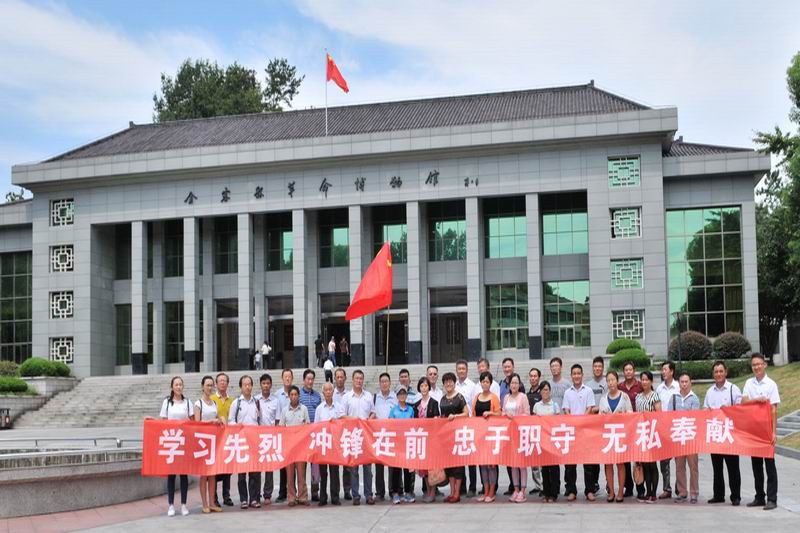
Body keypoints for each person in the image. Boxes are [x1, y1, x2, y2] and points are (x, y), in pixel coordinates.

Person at [742, 353, 780, 511]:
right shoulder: (749, 383)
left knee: (770, 466)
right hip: (754, 430)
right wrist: (757, 400)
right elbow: (744, 401)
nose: (756, 367)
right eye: (754, 365)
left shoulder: (771, 385)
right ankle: (759, 497)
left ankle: (772, 499)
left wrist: (773, 432)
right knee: (756, 466)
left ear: (764, 365)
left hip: (766, 430)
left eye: (759, 364)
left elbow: (774, 409)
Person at [703, 360, 742, 506]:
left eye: (721, 371)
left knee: (733, 467)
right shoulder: (709, 391)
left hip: (729, 434)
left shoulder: (733, 389)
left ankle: (735, 496)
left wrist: (729, 410)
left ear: (726, 372)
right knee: (717, 467)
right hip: (715, 434)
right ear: (713, 374)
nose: (718, 374)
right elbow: (705, 410)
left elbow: (740, 410)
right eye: (716, 372)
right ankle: (718, 495)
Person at [562, 364, 599, 501]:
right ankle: (572, 490)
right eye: (574, 374)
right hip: (571, 432)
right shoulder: (567, 392)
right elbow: (566, 410)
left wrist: (581, 422)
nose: (576, 376)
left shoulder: (588, 390)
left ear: (582, 375)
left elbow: (590, 408)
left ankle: (589, 490)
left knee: (588, 463)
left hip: (585, 431)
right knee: (570, 464)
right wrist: (574, 423)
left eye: (579, 373)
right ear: (571, 376)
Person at [598, 370, 632, 502]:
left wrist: (621, 416)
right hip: (607, 436)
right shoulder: (603, 399)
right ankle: (611, 491)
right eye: (608, 381)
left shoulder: (624, 397)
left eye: (613, 380)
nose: (611, 383)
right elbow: (599, 418)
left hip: (621, 435)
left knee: (620, 463)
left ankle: (620, 491)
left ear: (617, 381)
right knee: (608, 464)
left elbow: (630, 414)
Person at [343, 369, 376, 505]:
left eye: (361, 378)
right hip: (353, 437)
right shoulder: (346, 397)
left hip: (366, 437)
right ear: (352, 380)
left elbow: (373, 412)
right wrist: (355, 420)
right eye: (356, 378)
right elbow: (342, 415)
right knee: (354, 469)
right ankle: (355, 495)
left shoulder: (368, 396)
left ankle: (369, 495)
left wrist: (368, 420)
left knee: (367, 468)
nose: (359, 381)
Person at [229, 375, 262, 509]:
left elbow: (260, 421)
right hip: (241, 441)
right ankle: (243, 499)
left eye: (249, 384)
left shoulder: (256, 402)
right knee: (242, 473)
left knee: (255, 471)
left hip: (254, 441)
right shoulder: (236, 403)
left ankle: (254, 498)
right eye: (245, 385)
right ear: (241, 387)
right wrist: (237, 426)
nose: (247, 387)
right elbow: (230, 420)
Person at [160, 376, 191, 517]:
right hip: (171, 441)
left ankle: (184, 504)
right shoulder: (167, 402)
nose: (178, 387)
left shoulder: (187, 402)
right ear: (172, 387)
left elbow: (192, 421)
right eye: (176, 384)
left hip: (183, 441)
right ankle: (171, 505)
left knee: (184, 474)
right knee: (171, 475)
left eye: (180, 384)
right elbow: (163, 422)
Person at [194, 375, 224, 514]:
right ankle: (204, 503)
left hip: (214, 440)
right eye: (207, 385)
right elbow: (197, 422)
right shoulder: (198, 403)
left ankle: (212, 502)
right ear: (202, 387)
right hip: (202, 441)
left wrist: (220, 420)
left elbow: (217, 418)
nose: (210, 387)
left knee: (212, 473)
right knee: (204, 474)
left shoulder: (214, 403)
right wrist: (212, 421)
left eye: (211, 385)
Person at [472, 371, 502, 503]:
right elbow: (473, 415)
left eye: (487, 382)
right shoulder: (477, 397)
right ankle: (485, 490)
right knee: (482, 464)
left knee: (491, 465)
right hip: (480, 435)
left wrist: (490, 413)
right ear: (480, 383)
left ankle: (492, 491)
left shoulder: (494, 397)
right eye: (483, 381)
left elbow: (499, 413)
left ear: (490, 383)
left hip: (491, 435)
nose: (485, 384)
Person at [439, 372, 469, 503]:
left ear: (454, 383)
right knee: (449, 466)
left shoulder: (459, 397)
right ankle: (451, 492)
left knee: (458, 466)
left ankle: (457, 493)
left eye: (450, 381)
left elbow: (466, 413)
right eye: (446, 382)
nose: (448, 384)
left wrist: (455, 416)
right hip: (446, 437)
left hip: (458, 435)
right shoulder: (442, 399)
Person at [672, 372, 700, 504]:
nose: (684, 384)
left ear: (690, 383)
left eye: (686, 382)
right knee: (679, 467)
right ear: (679, 383)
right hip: (678, 437)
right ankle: (682, 492)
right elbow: (669, 416)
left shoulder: (694, 398)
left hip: (691, 437)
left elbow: (695, 418)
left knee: (693, 467)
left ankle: (694, 492)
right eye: (682, 382)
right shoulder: (674, 398)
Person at [280, 385, 311, 506]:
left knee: (301, 473)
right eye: (291, 395)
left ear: (299, 396)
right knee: (290, 474)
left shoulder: (304, 409)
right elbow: (281, 427)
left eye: (295, 394)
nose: (293, 397)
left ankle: (302, 497)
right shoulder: (284, 410)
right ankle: (291, 497)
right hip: (289, 447)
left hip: (301, 447)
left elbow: (308, 425)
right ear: (289, 396)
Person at [315, 382, 344, 507]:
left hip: (335, 444)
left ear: (333, 392)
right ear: (323, 393)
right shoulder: (319, 409)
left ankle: (335, 497)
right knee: (323, 473)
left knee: (334, 472)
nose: (328, 392)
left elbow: (343, 423)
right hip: (323, 444)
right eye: (326, 390)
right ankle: (323, 497)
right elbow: (316, 426)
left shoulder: (339, 407)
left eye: (330, 390)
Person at [503, 373, 530, 503]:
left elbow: (527, 414)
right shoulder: (506, 397)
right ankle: (516, 489)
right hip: (509, 433)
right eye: (512, 383)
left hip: (521, 433)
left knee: (522, 464)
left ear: (519, 385)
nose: (514, 385)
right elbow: (502, 412)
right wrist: (505, 414)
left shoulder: (523, 397)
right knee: (513, 463)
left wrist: (515, 417)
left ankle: (523, 491)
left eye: (516, 383)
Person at [618, 361, 644, 499]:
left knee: (638, 458)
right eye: (626, 370)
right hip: (624, 428)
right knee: (625, 458)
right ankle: (628, 487)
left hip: (638, 426)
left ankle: (640, 487)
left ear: (634, 371)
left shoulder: (640, 386)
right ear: (623, 372)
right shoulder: (620, 386)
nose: (628, 372)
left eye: (630, 369)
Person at [635, 370, 661, 503]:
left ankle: (654, 493)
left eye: (646, 380)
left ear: (651, 381)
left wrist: (648, 414)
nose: (644, 382)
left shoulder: (655, 396)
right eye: (642, 380)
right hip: (641, 434)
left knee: (652, 465)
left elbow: (659, 414)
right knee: (645, 464)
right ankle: (648, 491)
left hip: (652, 433)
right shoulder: (638, 397)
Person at [655, 360, 679, 499]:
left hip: (677, 427)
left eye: (665, 369)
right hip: (663, 428)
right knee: (664, 461)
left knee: (679, 460)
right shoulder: (659, 389)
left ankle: (679, 488)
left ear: (672, 371)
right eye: (662, 369)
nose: (663, 372)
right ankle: (666, 488)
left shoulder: (678, 387)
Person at [533, 381, 560, 503]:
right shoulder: (537, 406)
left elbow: (558, 423)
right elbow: (534, 422)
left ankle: (554, 493)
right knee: (544, 468)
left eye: (547, 390)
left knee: (554, 468)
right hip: (542, 441)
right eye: (543, 390)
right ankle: (546, 492)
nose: (545, 392)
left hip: (553, 440)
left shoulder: (555, 406)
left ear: (550, 391)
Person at [389, 386, 417, 504]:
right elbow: (390, 425)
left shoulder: (411, 410)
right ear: (397, 396)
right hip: (397, 444)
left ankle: (408, 492)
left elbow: (414, 424)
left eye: (404, 394)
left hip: (408, 443)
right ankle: (395, 493)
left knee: (408, 469)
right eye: (400, 394)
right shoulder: (393, 410)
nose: (402, 396)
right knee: (396, 469)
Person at [454, 359, 478, 497]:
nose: (461, 371)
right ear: (456, 370)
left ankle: (472, 487)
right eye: (459, 369)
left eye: (463, 368)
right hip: (457, 426)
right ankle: (461, 486)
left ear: (467, 370)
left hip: (469, 425)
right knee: (460, 458)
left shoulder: (472, 386)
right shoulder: (454, 385)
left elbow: (474, 405)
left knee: (471, 458)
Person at [211, 372, 235, 507]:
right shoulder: (212, 399)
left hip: (228, 438)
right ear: (216, 384)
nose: (222, 383)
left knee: (227, 468)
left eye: (224, 381)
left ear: (228, 383)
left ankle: (227, 495)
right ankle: (213, 496)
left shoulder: (233, 401)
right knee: (215, 469)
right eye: (220, 381)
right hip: (215, 439)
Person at [256, 373, 280, 505]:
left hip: (270, 437)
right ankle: (256, 493)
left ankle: (267, 494)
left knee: (269, 468)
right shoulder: (255, 400)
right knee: (257, 467)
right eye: (263, 383)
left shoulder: (276, 401)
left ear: (271, 385)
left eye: (268, 383)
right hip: (257, 437)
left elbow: (277, 420)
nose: (265, 386)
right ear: (260, 385)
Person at [416, 376, 441, 503]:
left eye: (426, 386)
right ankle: (427, 489)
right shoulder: (416, 405)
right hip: (421, 440)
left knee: (432, 467)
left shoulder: (434, 403)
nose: (424, 388)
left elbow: (437, 420)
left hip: (431, 440)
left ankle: (433, 492)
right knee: (424, 468)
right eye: (422, 386)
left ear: (429, 387)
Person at [374, 372, 398, 501]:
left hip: (392, 435)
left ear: (390, 383)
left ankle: (392, 490)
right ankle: (380, 491)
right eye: (382, 381)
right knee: (379, 466)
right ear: (379, 383)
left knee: (392, 465)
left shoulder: (395, 397)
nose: (384, 384)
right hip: (378, 435)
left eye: (386, 381)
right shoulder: (374, 397)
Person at [299, 369, 322, 502]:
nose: (310, 381)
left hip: (315, 434)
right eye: (308, 379)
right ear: (304, 380)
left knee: (315, 465)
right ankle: (302, 492)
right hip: (302, 435)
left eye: (312, 379)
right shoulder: (298, 394)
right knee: (301, 465)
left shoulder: (317, 396)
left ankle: (315, 491)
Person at [332, 367, 352, 500]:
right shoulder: (330, 392)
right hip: (333, 434)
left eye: (341, 377)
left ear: (345, 378)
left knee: (347, 464)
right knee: (334, 466)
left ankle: (347, 490)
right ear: (334, 379)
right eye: (337, 377)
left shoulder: (349, 395)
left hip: (346, 433)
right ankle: (335, 492)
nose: (339, 379)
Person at [275, 368, 294, 503]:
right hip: (282, 434)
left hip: (295, 435)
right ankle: (282, 492)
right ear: (282, 379)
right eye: (285, 377)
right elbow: (277, 416)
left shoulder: (295, 393)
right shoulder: (277, 395)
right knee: (283, 464)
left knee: (295, 464)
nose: (287, 379)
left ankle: (293, 491)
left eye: (289, 377)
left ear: (292, 378)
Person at [526, 367, 544, 496]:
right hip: (530, 431)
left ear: (539, 377)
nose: (533, 378)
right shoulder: (526, 395)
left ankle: (544, 485)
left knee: (542, 461)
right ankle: (538, 485)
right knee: (534, 462)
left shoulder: (542, 393)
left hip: (542, 430)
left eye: (535, 376)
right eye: (531, 376)